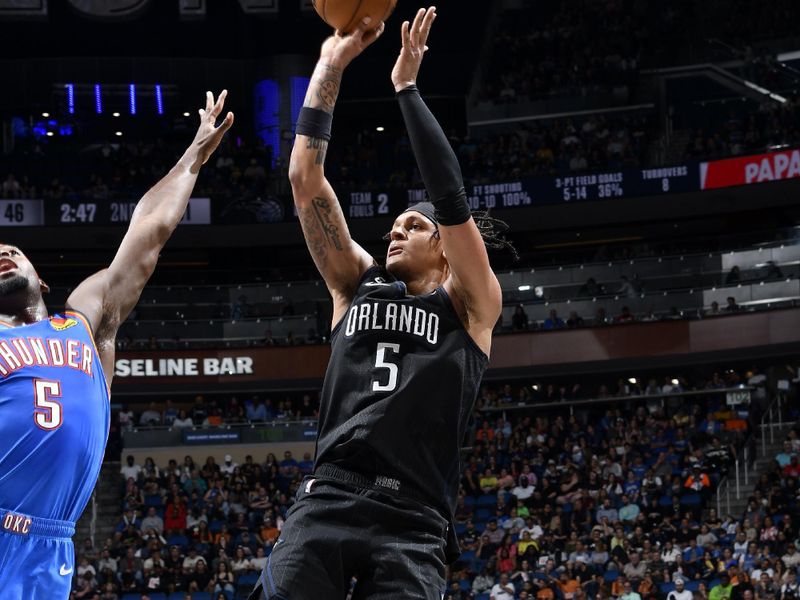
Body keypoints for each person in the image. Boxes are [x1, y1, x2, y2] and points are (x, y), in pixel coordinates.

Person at [250, 8, 511, 600]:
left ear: (444, 244)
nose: (395, 232)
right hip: (329, 499)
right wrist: (329, 65)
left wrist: (406, 87)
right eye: (394, 225)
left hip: (413, 520)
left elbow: (449, 194)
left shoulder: (472, 304)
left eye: (413, 225)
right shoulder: (354, 283)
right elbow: (304, 177)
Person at [0, 90, 233, 600]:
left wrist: (192, 156)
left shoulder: (84, 322)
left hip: (49, 546)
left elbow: (147, 233)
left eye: (13, 248)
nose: (3, 253)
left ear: (42, 283)